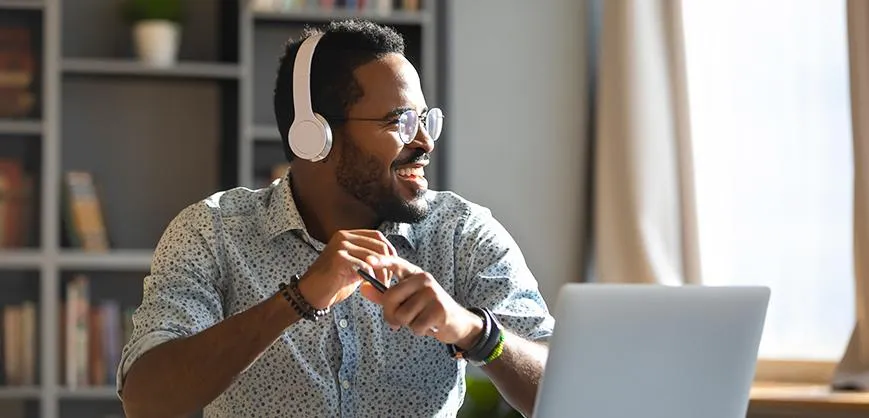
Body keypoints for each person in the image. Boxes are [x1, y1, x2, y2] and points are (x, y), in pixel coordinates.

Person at [117, 19, 553, 418]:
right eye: (399, 121)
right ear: (315, 136)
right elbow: (146, 400)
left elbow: (574, 389)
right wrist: (298, 299)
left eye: (424, 120)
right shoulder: (213, 232)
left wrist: (475, 332)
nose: (424, 142)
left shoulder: (461, 233)